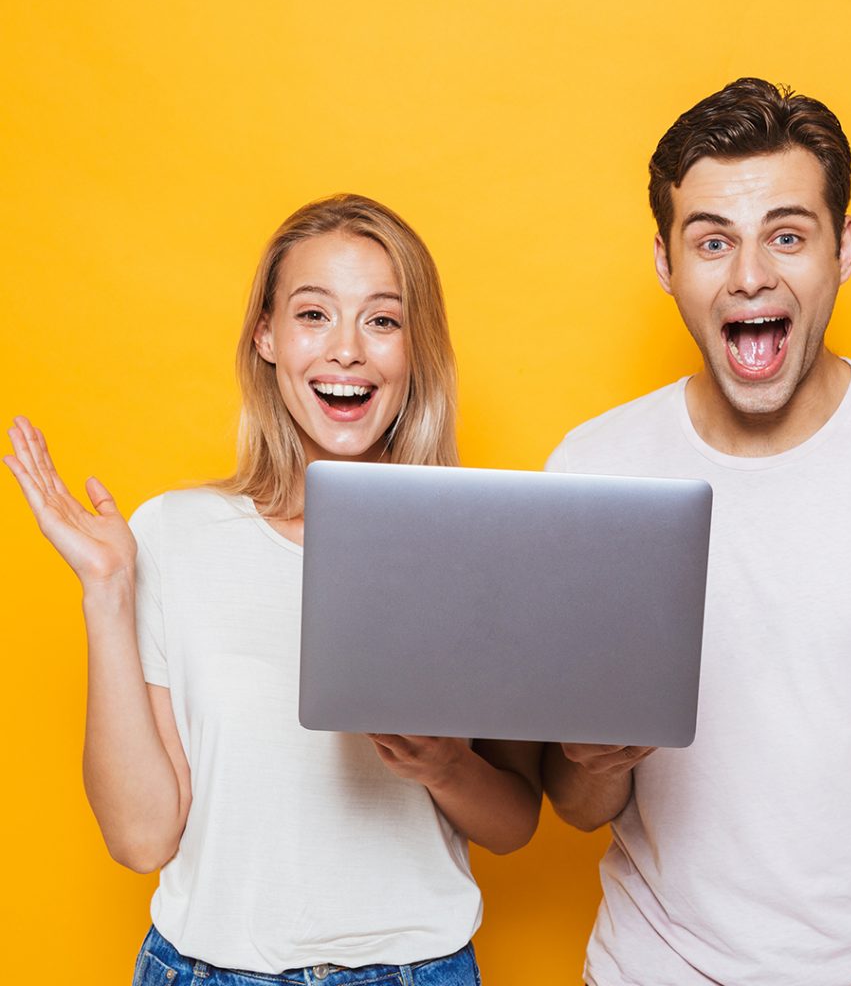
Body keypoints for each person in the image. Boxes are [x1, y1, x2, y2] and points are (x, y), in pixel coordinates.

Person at [541, 79, 851, 985]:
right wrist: (592, 756)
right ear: (665, 262)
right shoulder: (592, 466)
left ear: (842, 250)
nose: (751, 275)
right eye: (713, 241)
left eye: (788, 237)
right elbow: (576, 804)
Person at [5, 193, 542, 986]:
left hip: (415, 970)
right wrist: (108, 592)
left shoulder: (478, 545)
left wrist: (444, 767)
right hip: (208, 970)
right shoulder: (173, 536)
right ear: (266, 336)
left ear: (415, 350)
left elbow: (516, 824)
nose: (348, 350)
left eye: (383, 321)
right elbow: (142, 839)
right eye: (314, 315)